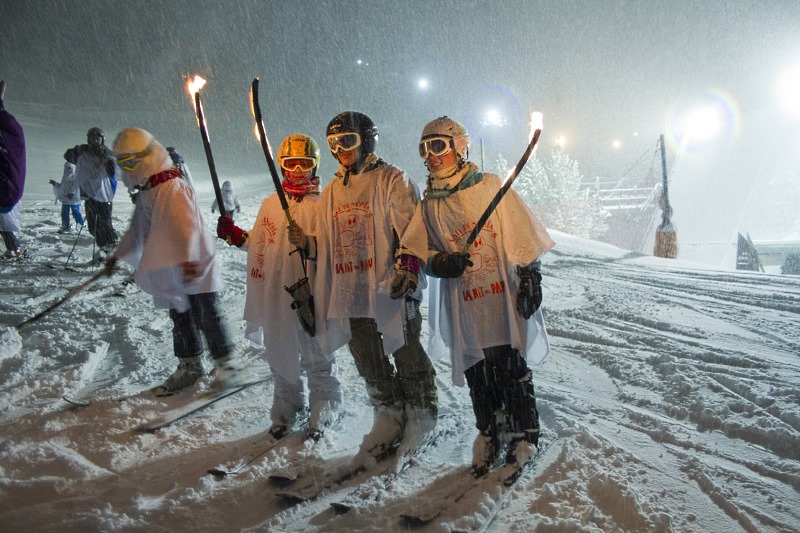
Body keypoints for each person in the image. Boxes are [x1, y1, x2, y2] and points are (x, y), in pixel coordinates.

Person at [405, 116, 555, 476]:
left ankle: (525, 432)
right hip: (465, 300)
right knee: (477, 367)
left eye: (438, 145)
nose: (431, 155)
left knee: (507, 360)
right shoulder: (429, 204)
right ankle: (489, 431)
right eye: (425, 148)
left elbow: (521, 233)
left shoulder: (490, 187)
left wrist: (531, 274)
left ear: (459, 146)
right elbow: (417, 249)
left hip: (501, 294)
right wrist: (440, 262)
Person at [288, 111, 438, 466]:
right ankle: (388, 412)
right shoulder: (331, 191)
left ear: (366, 140)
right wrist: (308, 245)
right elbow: (328, 242)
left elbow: (412, 231)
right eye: (334, 144)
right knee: (366, 353)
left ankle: (421, 412)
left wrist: (409, 266)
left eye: (348, 141)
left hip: (389, 286)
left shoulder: (391, 179)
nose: (341, 150)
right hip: (350, 288)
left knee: (405, 350)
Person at [217, 133, 348, 441]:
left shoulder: (324, 203)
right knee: (280, 351)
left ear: (314, 165)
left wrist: (310, 245)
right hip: (278, 295)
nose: (298, 170)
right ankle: (287, 403)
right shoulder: (270, 205)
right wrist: (238, 237)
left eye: (304, 163)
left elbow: (335, 250)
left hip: (311, 293)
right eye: (291, 163)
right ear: (282, 166)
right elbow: (262, 247)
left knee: (317, 352)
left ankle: (325, 402)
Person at [106, 127, 242, 395]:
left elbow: (187, 227)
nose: (127, 169)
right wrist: (117, 255)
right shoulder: (149, 190)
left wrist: (190, 261)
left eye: (130, 162)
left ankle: (226, 366)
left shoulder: (172, 187)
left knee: (206, 316)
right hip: (175, 267)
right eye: (122, 163)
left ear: (146, 157)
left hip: (195, 264)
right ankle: (190, 366)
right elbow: (138, 230)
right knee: (180, 317)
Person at [64, 127, 118, 262]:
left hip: (105, 196)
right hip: (89, 195)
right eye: (92, 138)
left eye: (97, 138)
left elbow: (115, 172)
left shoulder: (107, 153)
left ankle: (108, 247)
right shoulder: (85, 152)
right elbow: (68, 156)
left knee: (104, 224)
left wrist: (107, 160)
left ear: (102, 140)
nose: (95, 141)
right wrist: (77, 151)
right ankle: (106, 245)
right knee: (92, 226)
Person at [0, 80, 27, 261]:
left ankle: (15, 249)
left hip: (6, 193)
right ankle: (14, 249)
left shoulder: (11, 138)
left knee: (4, 227)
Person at [49, 162, 84, 233]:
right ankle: (65, 226)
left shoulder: (76, 177)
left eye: (69, 168)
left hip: (74, 199)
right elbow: (62, 188)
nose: (67, 170)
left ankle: (80, 225)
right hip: (66, 199)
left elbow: (76, 186)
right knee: (64, 213)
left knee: (75, 212)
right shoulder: (65, 177)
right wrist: (55, 184)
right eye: (66, 168)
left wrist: (72, 193)